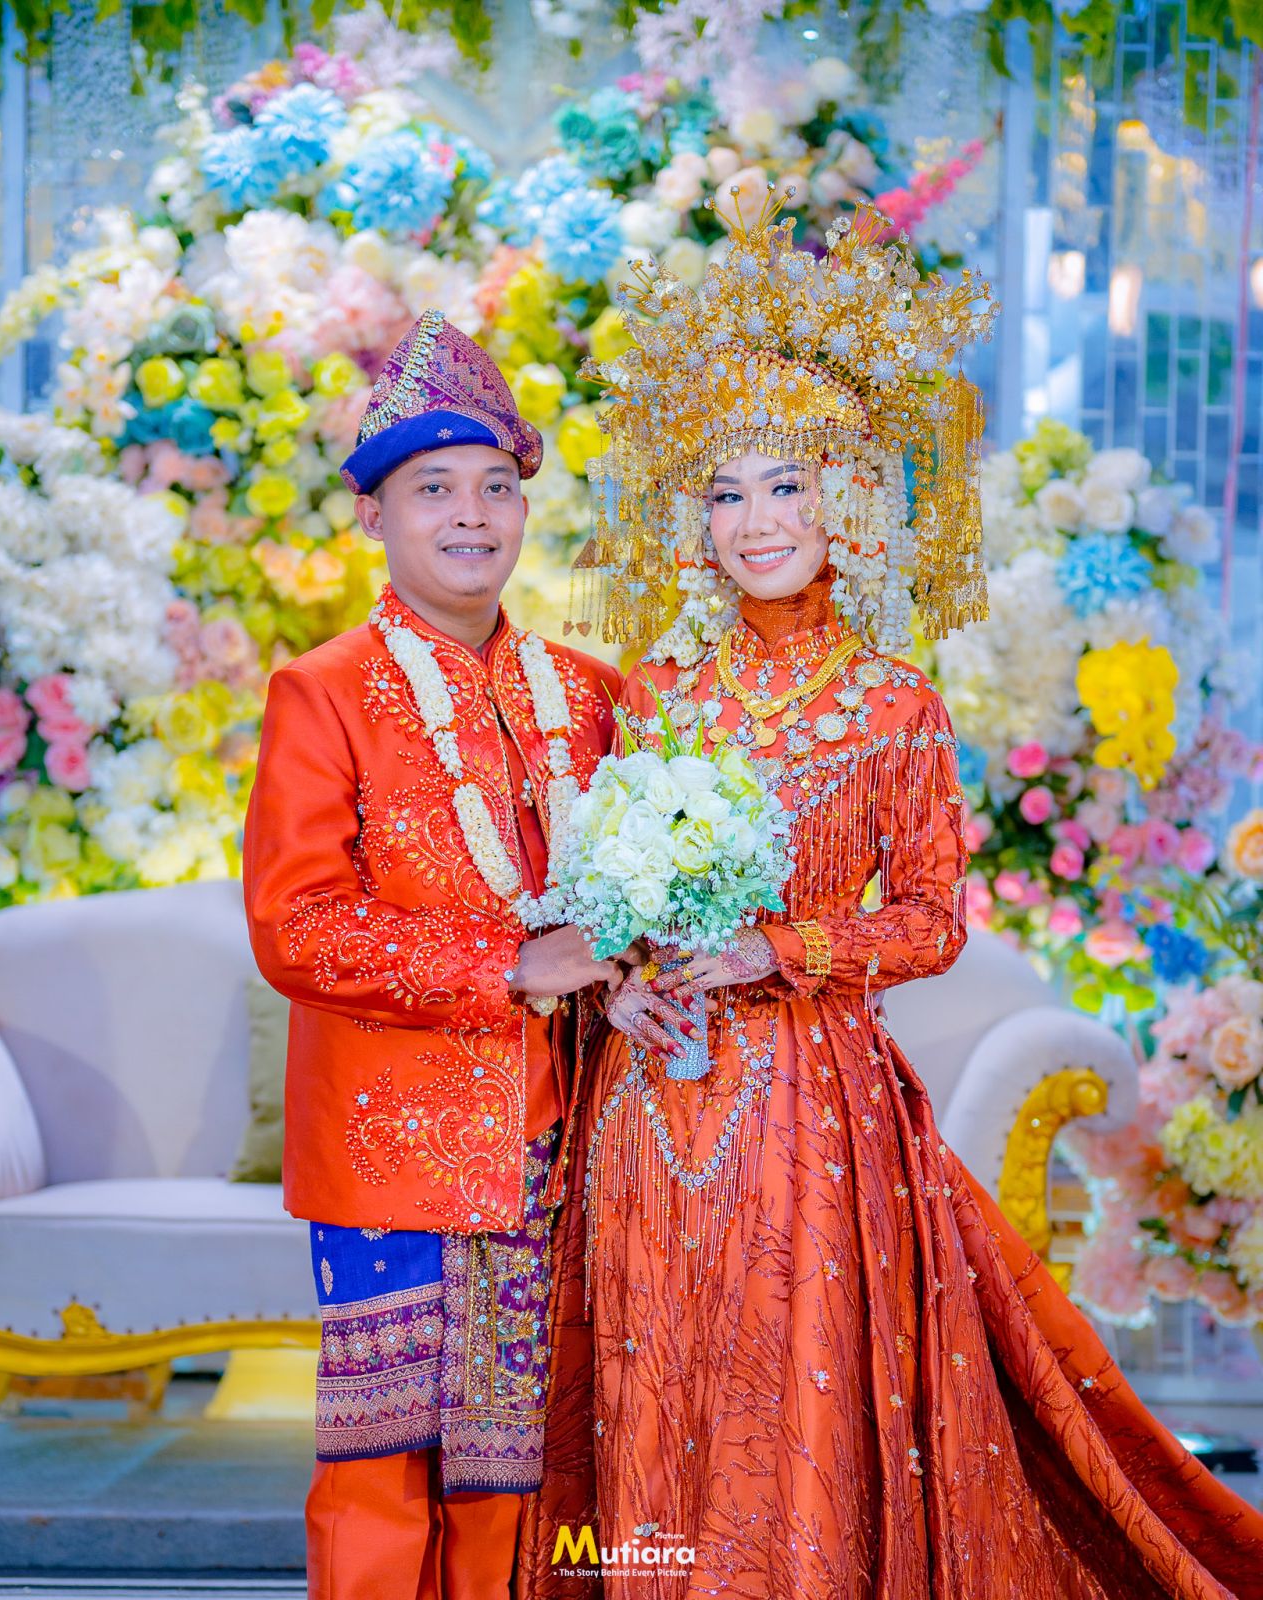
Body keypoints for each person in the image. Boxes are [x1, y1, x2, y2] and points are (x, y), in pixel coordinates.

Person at [517, 201, 1263, 1598]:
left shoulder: (894, 703)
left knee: (783, 1375)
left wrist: (779, 946)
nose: (755, 523)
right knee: (650, 1361)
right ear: (692, 519)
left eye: (785, 486)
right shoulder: (654, 695)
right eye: (725, 493)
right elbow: (602, 901)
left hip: (808, 1097)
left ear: (847, 502)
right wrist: (621, 984)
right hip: (647, 1091)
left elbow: (930, 917)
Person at [243, 311, 631, 1600]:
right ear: (375, 515)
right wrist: (506, 966)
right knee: (386, 1465)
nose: (472, 514)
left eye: (497, 487)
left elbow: (639, 898)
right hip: (391, 1145)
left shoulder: (592, 696)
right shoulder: (323, 692)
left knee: (530, 1466)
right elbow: (296, 926)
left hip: (568, 1141)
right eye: (435, 489)